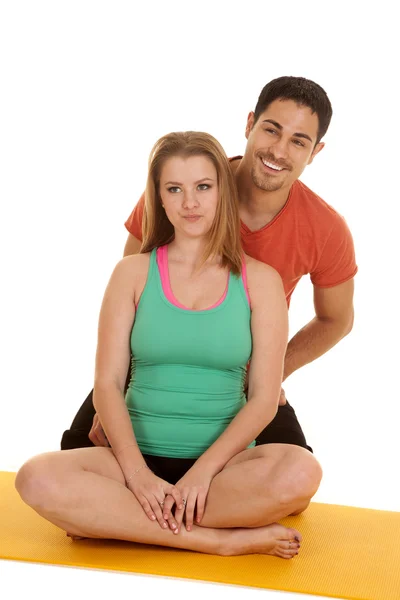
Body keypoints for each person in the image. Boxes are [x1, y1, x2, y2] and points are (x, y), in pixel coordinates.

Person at [61, 76, 356, 512]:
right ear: (250, 124)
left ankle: (157, 513)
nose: (278, 150)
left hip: (236, 369)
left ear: (316, 153)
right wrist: (116, 390)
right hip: (156, 370)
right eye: (271, 129)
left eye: (299, 141)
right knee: (73, 464)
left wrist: (269, 376)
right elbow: (135, 290)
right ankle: (190, 519)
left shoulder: (325, 228)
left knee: (295, 483)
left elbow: (337, 319)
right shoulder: (186, 188)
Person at [15, 131, 304, 559]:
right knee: (34, 478)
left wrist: (202, 474)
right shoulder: (130, 274)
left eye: (203, 187)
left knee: (299, 473)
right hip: (132, 459)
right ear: (160, 199)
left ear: (222, 193)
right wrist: (137, 477)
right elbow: (108, 384)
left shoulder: (261, 281)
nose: (190, 202)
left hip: (222, 470)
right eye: (175, 189)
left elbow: (264, 399)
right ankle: (215, 540)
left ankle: (115, 521)